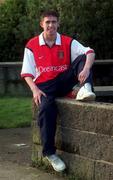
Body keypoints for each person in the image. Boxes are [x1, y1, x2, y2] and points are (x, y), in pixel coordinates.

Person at [21, 10, 96, 172]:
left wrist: (86, 69)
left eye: (54, 22)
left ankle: (86, 88)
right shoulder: (32, 45)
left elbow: (89, 52)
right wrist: (34, 90)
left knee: (83, 58)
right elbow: (27, 72)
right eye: (47, 22)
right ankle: (50, 153)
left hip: (63, 81)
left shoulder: (67, 41)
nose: (51, 25)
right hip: (45, 86)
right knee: (46, 109)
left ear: (58, 24)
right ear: (42, 24)